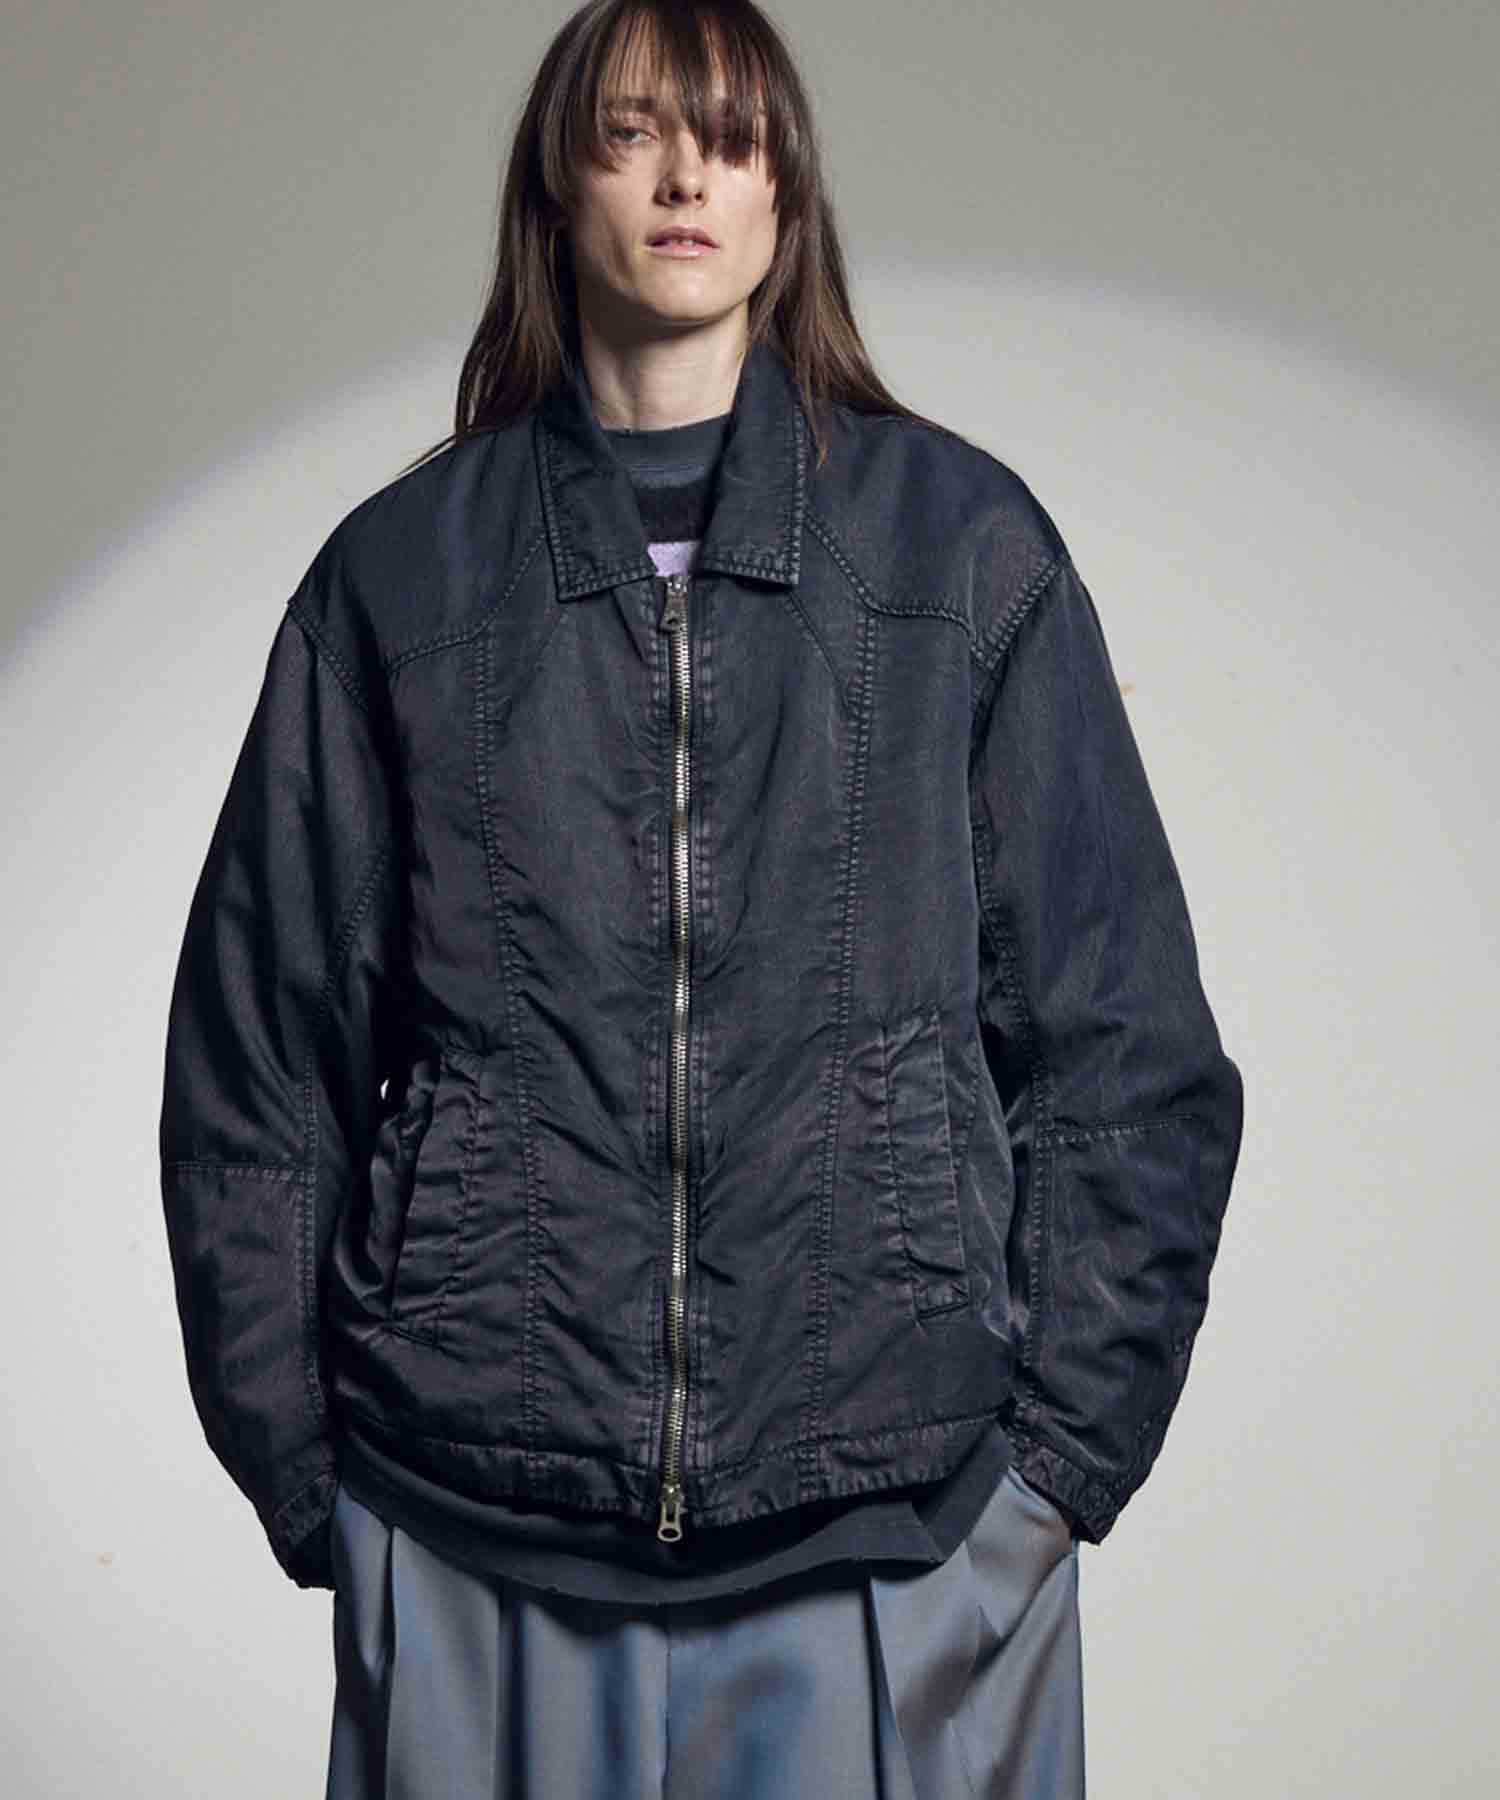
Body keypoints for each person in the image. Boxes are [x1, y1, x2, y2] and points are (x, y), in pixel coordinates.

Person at [157, 1, 1245, 1794]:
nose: (684, 179)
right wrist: (314, 1488)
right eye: (633, 132)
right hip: (474, 1538)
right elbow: (255, 1076)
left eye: (729, 139)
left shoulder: (962, 556)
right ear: (558, 186)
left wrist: (1052, 1476)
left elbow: (1126, 1059)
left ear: (784, 194)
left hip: (897, 1542)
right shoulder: (397, 584)